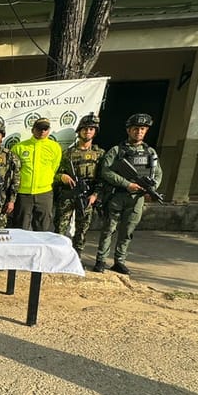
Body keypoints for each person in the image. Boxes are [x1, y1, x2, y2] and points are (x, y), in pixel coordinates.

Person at [92, 112, 163, 275]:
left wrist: (151, 188)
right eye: (136, 129)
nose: (139, 132)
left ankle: (120, 261)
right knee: (109, 229)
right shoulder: (117, 150)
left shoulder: (150, 152)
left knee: (128, 231)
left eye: (143, 129)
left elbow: (158, 173)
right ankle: (101, 260)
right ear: (129, 130)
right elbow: (105, 171)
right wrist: (127, 184)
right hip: (117, 195)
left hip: (137, 199)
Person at [53, 112, 105, 258]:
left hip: (87, 195)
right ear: (79, 131)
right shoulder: (68, 153)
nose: (87, 132)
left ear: (95, 132)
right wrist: (62, 177)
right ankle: (57, 255)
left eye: (91, 129)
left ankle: (77, 256)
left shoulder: (100, 153)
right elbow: (54, 173)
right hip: (68, 194)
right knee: (60, 227)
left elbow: (103, 178)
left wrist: (95, 195)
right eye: (85, 129)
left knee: (82, 228)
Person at [10, 117, 61, 231]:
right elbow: (14, 172)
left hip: (44, 194)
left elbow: (54, 167)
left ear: (49, 130)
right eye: (39, 128)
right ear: (33, 130)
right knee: (20, 228)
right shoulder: (19, 147)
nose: (42, 131)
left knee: (42, 229)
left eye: (45, 129)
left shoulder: (55, 147)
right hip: (23, 194)